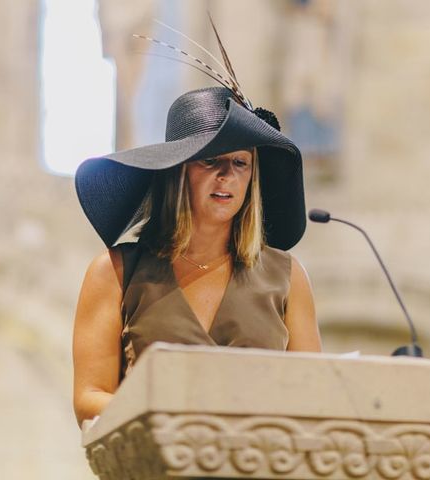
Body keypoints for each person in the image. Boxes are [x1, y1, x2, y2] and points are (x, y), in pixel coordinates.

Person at [72, 85, 322, 426]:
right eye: (210, 160)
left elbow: (314, 398)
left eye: (240, 162)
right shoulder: (115, 272)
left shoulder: (288, 277)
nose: (227, 176)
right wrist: (182, 414)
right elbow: (89, 399)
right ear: (177, 170)